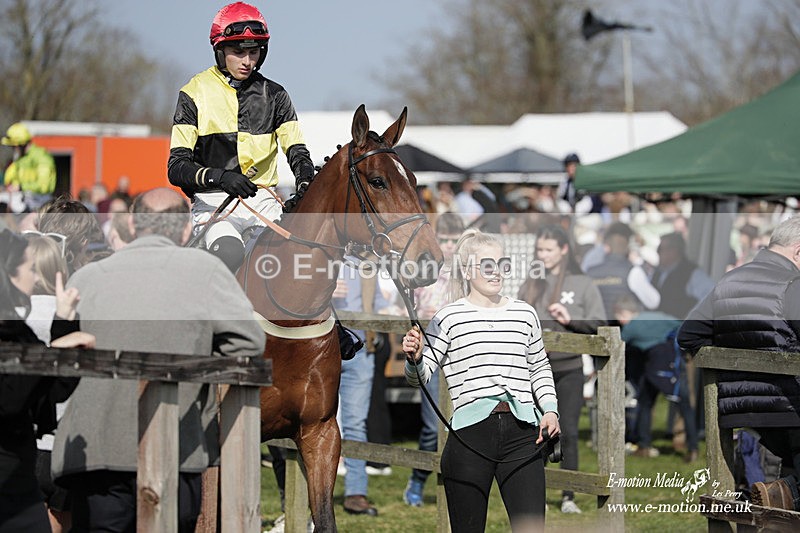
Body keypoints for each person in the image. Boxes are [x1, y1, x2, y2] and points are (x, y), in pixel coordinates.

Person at [50, 187, 266, 532]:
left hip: (96, 449)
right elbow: (251, 341)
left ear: (133, 224)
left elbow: (61, 350)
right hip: (175, 445)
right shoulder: (206, 271)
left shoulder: (87, 278)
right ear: (185, 230)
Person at [403, 229, 560, 532]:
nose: (497, 271)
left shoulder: (525, 314)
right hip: (469, 437)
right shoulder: (448, 317)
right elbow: (419, 379)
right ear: (466, 270)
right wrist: (415, 358)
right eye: (487, 265)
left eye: (502, 263)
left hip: (523, 436)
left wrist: (550, 410)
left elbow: (539, 367)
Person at [167, 1, 315, 273]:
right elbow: (176, 168)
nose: (248, 61)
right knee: (231, 253)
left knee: (294, 262)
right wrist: (222, 177)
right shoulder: (193, 92)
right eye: (238, 52)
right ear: (220, 50)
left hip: (265, 201)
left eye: (254, 52)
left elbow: (297, 152)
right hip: (214, 203)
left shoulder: (277, 95)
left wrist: (305, 181)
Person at [678, 215, 800, 511]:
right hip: (789, 405)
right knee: (789, 482)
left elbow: (689, 335)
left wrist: (736, 368)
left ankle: (777, 497)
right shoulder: (792, 283)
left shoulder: (728, 280)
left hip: (740, 408)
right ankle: (779, 495)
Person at [0, 229, 92, 532]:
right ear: (10, 274)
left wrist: (64, 324)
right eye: (28, 268)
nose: (32, 275)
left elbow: (49, 395)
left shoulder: (17, 328)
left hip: (20, 475)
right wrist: (54, 351)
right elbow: (10, 400)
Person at [517, 224, 606, 513]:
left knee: (565, 429)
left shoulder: (582, 283)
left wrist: (571, 321)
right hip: (533, 370)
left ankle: (569, 495)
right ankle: (535, 491)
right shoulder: (531, 283)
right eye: (539, 249)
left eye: (548, 249)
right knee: (534, 430)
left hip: (568, 367)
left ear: (563, 250)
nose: (542, 255)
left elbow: (600, 324)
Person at [403, 212, 465, 507]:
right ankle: (417, 479)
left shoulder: (468, 277)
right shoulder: (425, 272)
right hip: (431, 355)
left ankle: (461, 486)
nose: (450, 246)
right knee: (433, 427)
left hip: (463, 359)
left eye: (455, 240)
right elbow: (405, 307)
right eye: (446, 239)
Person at [332, 261, 391, 516]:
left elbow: (379, 304)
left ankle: (356, 493)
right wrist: (325, 290)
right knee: (312, 420)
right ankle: (312, 491)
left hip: (359, 350)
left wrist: (375, 330)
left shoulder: (367, 264)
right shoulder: (320, 254)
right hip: (320, 347)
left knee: (356, 422)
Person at [614, 295, 698, 463]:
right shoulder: (659, 316)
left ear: (624, 313)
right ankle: (693, 448)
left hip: (654, 366)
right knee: (685, 406)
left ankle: (644, 444)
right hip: (673, 364)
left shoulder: (631, 327)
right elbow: (682, 325)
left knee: (645, 403)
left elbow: (617, 346)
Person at [585, 221, 660, 321]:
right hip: (624, 332)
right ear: (627, 245)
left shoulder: (590, 271)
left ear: (606, 246)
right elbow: (653, 302)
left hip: (595, 330)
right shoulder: (633, 271)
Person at [650, 231, 715, 320]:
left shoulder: (692, 273)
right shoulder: (657, 273)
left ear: (675, 250)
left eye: (661, 249)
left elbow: (711, 296)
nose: (659, 253)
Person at [1, 123, 57, 213]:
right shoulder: (20, 159)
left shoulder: (41, 157)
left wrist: (20, 187)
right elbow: (13, 179)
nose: (12, 149)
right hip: (24, 199)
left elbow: (44, 186)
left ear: (21, 144)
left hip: (40, 203)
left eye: (13, 146)